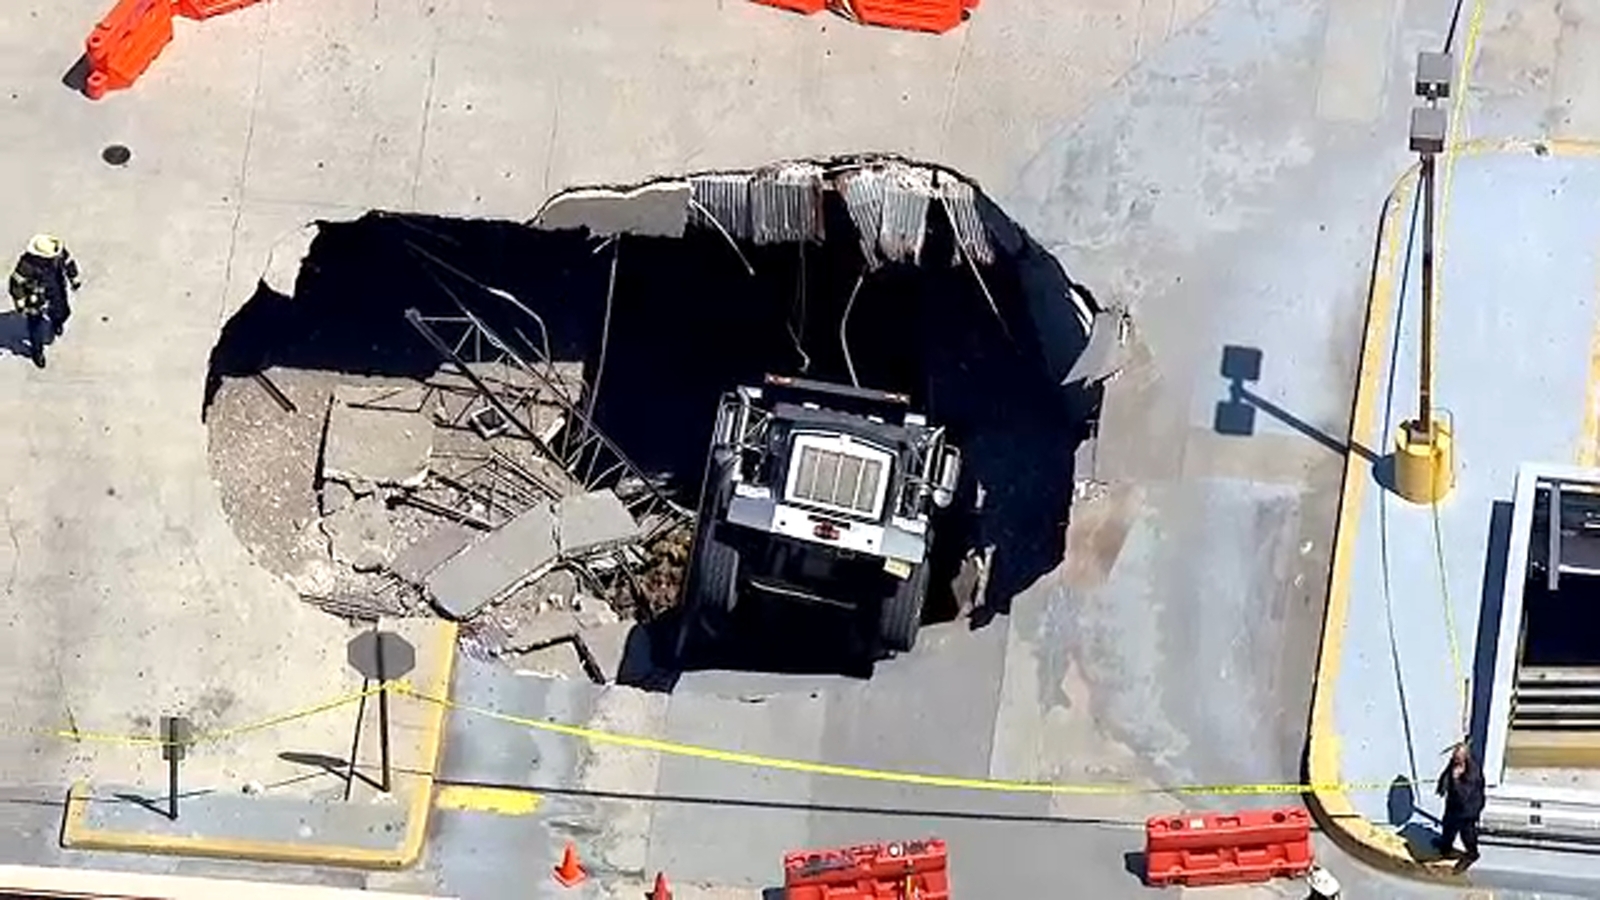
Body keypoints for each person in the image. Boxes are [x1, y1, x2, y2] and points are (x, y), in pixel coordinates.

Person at [1434, 742, 1485, 865]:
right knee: (1448, 826)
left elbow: (1463, 795)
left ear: (1465, 757)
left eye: (1457, 758)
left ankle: (1472, 854)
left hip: (1469, 808)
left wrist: (1456, 779)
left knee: (1466, 833)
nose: (1454, 759)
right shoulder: (1455, 763)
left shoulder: (1473, 772)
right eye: (1454, 757)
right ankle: (1445, 847)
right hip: (1454, 805)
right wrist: (1442, 786)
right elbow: (1447, 773)